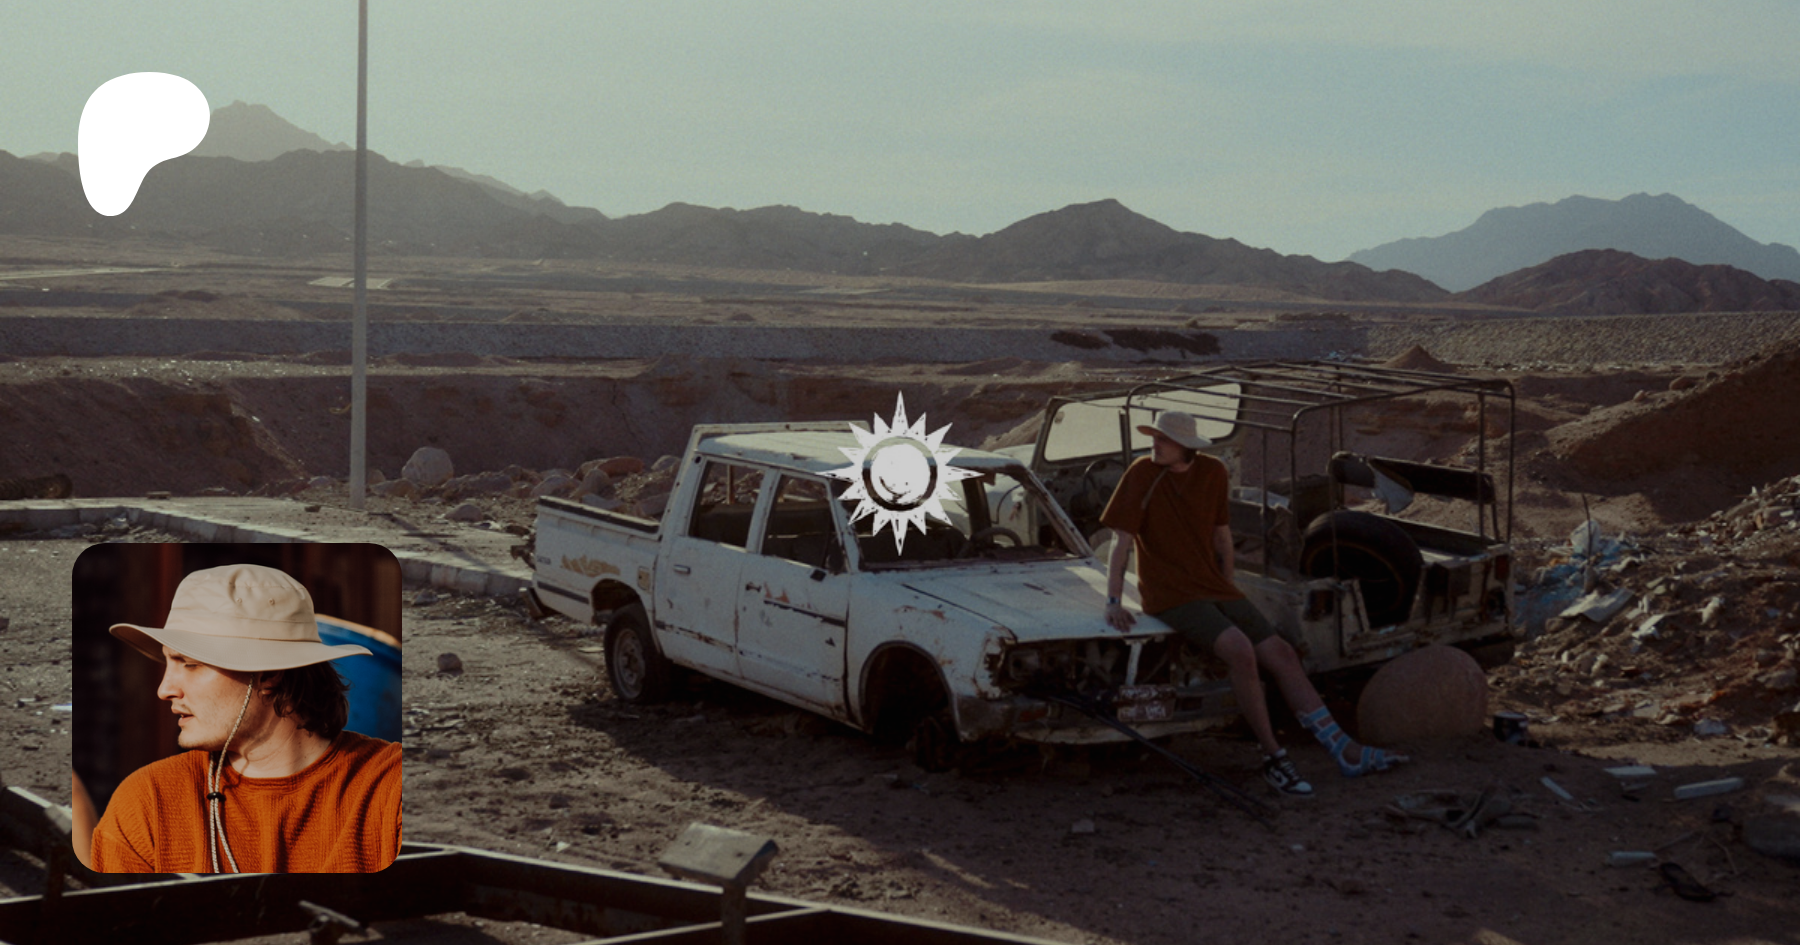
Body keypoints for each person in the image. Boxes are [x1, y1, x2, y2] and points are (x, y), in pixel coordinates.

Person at [1100, 411, 1406, 797]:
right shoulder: (1141, 474)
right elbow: (1121, 541)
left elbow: (1222, 536)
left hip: (1214, 587)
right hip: (1170, 593)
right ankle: (1274, 757)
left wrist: (1228, 587)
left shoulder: (1212, 472)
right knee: (1240, 650)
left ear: (1186, 447)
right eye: (1154, 437)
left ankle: (1344, 750)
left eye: (1164, 439)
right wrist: (1113, 600)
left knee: (1283, 653)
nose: (1154, 444)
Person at [89, 564, 401, 872]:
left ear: (269, 674)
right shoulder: (148, 803)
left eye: (190, 664)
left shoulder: (389, 786)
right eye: (168, 663)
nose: (165, 690)